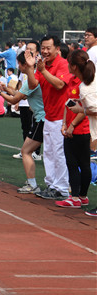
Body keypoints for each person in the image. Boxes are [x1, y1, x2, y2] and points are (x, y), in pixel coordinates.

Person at [26, 35, 72, 201]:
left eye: (48, 48)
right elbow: (32, 85)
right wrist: (31, 68)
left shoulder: (62, 64)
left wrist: (43, 70)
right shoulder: (41, 65)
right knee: (49, 153)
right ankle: (52, 185)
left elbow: (60, 84)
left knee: (59, 153)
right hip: (49, 116)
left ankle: (62, 189)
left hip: (62, 116)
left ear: (57, 49)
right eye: (43, 48)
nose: (45, 51)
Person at [0, 50, 45, 194]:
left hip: (41, 120)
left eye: (19, 63)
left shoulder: (32, 79)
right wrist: (7, 90)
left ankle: (32, 184)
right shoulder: (38, 76)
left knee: (26, 151)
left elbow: (15, 99)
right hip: (45, 119)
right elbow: (21, 95)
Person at [56, 50, 92, 209]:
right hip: (72, 127)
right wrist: (64, 123)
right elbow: (68, 104)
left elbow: (85, 109)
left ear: (75, 66)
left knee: (75, 163)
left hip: (81, 129)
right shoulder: (72, 80)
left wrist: (71, 126)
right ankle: (82, 197)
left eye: (69, 63)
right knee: (83, 163)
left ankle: (76, 196)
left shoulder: (84, 85)